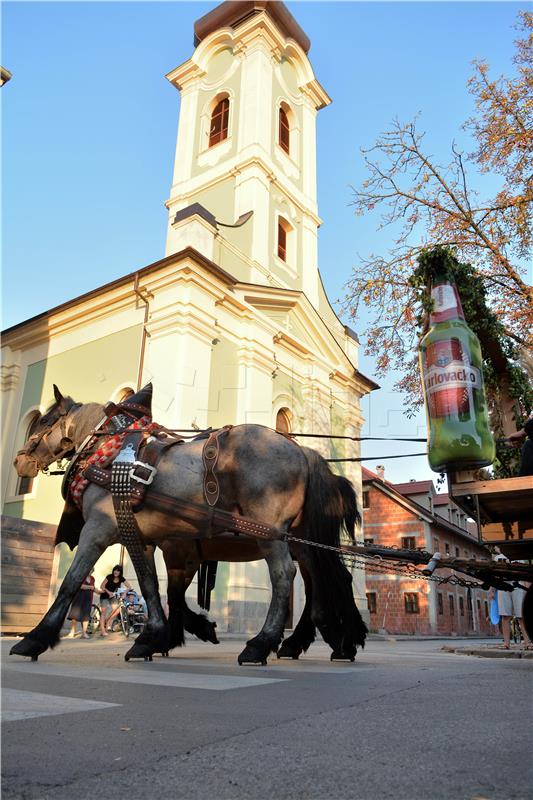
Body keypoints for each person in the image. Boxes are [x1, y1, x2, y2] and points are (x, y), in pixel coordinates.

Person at [490, 552, 532, 650]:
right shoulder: (498, 558)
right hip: (502, 587)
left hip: (518, 586)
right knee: (505, 616)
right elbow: (494, 575)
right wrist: (492, 590)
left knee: (521, 616)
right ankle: (506, 643)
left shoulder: (519, 557)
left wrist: (527, 589)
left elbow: (524, 574)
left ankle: (527, 642)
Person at [99, 565, 132, 635]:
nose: (116, 572)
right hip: (105, 595)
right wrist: (108, 592)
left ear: (120, 572)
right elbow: (102, 586)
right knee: (103, 612)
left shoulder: (121, 578)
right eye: (115, 570)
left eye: (118, 571)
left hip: (113, 596)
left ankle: (108, 620)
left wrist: (125, 593)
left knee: (117, 610)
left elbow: (129, 587)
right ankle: (102, 631)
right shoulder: (109, 577)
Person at [66, 572, 96, 639]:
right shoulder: (81, 576)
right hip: (78, 598)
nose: (90, 571)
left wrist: (100, 592)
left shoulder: (92, 578)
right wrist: (90, 587)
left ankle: (84, 633)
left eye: (91, 569)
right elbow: (80, 586)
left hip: (88, 599)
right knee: (75, 615)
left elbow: (93, 588)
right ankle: (72, 632)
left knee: (86, 616)